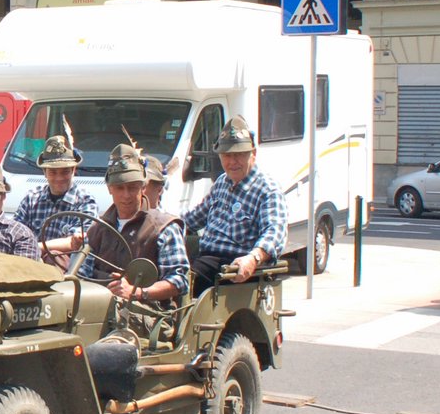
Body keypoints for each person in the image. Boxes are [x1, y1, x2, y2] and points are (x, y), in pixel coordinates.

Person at [184, 117, 287, 294]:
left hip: (231, 268)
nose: (232, 162)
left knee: (182, 282)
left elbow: (275, 232)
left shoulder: (267, 189)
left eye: (239, 154)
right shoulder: (222, 183)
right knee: (165, 269)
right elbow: (193, 219)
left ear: (253, 154)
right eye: (227, 155)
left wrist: (253, 258)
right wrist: (161, 226)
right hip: (205, 259)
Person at [81, 145, 189, 305]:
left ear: (143, 187)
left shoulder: (164, 228)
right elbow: (81, 273)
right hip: (97, 309)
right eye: (119, 188)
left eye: (132, 188)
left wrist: (137, 292)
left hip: (147, 314)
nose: (126, 195)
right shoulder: (98, 228)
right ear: (110, 189)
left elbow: (179, 281)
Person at [14, 135, 98, 261]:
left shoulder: (85, 202)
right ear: (44, 172)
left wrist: (37, 247)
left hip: (68, 273)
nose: (59, 178)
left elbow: (78, 242)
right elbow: (15, 233)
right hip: (29, 264)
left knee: (55, 257)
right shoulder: (31, 199)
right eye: (53, 172)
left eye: (64, 172)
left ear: (73, 170)